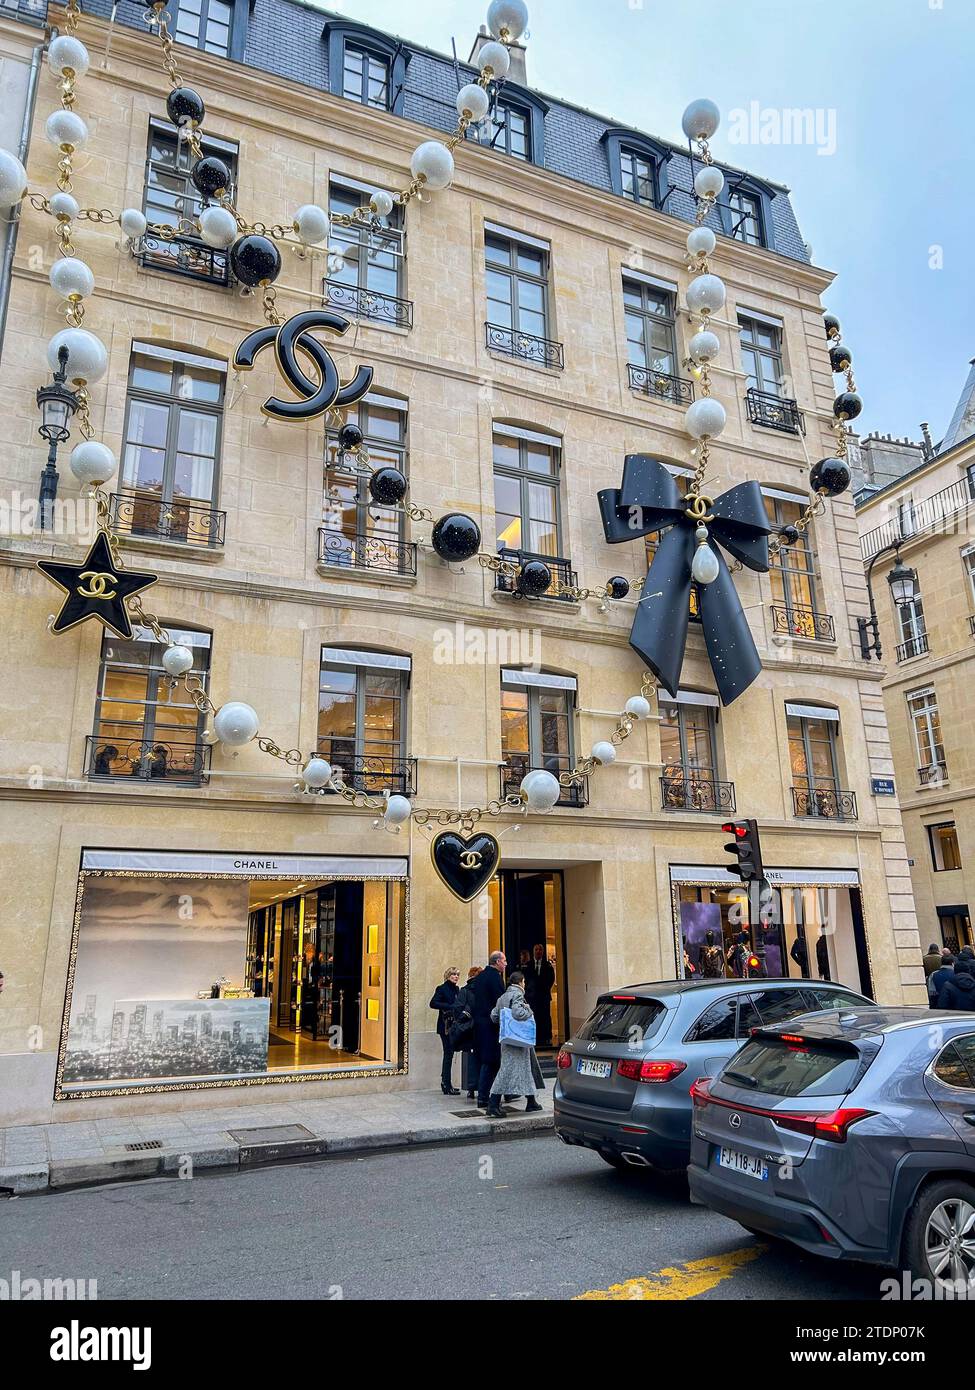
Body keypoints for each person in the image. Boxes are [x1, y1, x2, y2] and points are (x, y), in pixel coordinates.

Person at [486, 971, 544, 1118]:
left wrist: (505, 1020)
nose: (524, 985)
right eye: (523, 982)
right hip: (519, 1040)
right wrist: (529, 1010)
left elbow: (493, 1016)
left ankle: (531, 1101)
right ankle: (493, 1104)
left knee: (527, 1069)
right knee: (506, 1071)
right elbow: (519, 1013)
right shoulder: (518, 995)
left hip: (508, 1039)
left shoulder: (503, 997)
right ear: (521, 982)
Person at [469, 950, 507, 1110]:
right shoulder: (495, 978)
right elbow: (501, 1003)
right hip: (491, 1025)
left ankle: (488, 1095)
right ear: (497, 961)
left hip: (480, 1024)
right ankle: (485, 1097)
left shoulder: (481, 977)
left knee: (487, 1061)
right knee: (491, 1061)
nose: (506, 963)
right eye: (504, 960)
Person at [429, 967, 461, 1095]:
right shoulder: (441, 988)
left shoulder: (457, 989)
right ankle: (446, 1083)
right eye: (453, 974)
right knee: (448, 1053)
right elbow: (433, 1003)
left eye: (457, 974)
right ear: (448, 976)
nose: (456, 977)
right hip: (445, 1026)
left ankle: (446, 1082)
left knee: (450, 1053)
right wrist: (450, 1006)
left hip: (454, 1025)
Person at [451, 966, 481, 1098]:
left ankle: (471, 1088)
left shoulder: (465, 990)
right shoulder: (483, 990)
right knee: (482, 1057)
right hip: (481, 1028)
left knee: (470, 1057)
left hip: (469, 1029)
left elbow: (457, 1009)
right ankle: (482, 1087)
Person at [524, 944, 556, 1047]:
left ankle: (546, 1037)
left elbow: (551, 979)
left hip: (544, 996)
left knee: (545, 1017)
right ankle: (532, 1037)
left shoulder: (548, 965)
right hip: (531, 997)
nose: (538, 952)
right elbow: (526, 979)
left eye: (540, 950)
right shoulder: (528, 965)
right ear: (533, 951)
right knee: (532, 1016)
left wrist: (544, 989)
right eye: (536, 950)